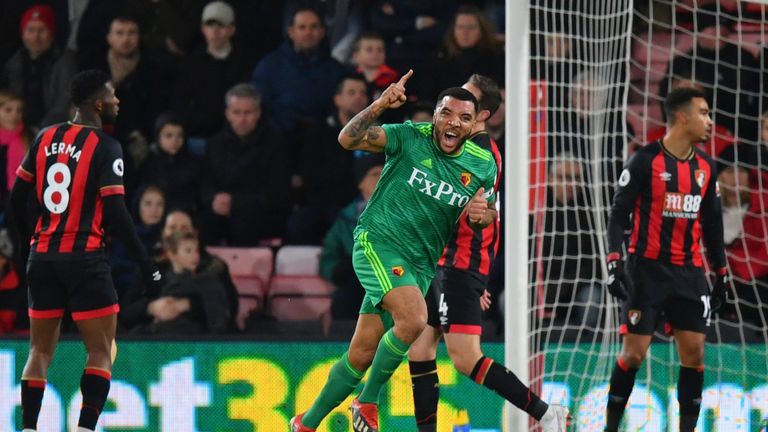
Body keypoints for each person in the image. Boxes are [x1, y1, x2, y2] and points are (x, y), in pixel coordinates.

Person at [290, 71, 498, 432]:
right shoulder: (407, 137)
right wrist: (380, 105)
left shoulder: (483, 165)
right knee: (415, 319)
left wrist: (483, 217)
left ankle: (305, 424)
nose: (454, 123)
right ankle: (368, 401)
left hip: (419, 263)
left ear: (474, 123)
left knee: (361, 354)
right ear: (435, 115)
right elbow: (347, 138)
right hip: (377, 242)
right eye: (447, 114)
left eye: (464, 118)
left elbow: (485, 214)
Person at [407, 74, 569, 432]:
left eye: (466, 102)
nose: (455, 109)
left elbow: (479, 216)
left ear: (481, 114)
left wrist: (474, 279)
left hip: (459, 264)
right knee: (420, 349)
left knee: (466, 359)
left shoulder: (479, 154)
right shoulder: (457, 146)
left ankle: (545, 413)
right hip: (440, 262)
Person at [8, 69, 160, 432]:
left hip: (42, 256)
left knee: (39, 351)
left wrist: (31, 239)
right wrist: (145, 262)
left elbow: (16, 198)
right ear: (97, 104)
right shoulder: (107, 147)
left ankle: (28, 428)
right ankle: (85, 428)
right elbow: (116, 211)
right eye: (112, 96)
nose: (117, 102)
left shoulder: (45, 137)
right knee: (101, 349)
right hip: (85, 259)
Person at [603, 87, 728, 432]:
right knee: (633, 354)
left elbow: (713, 224)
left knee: (695, 355)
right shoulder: (644, 161)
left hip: (690, 274)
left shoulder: (706, 168)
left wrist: (721, 274)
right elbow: (618, 215)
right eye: (703, 113)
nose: (709, 121)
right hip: (645, 271)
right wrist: (614, 263)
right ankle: (610, 428)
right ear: (682, 117)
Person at [200, 83, 292, 246]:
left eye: (247, 113)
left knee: (242, 224)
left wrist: (236, 203)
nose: (242, 119)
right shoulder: (215, 143)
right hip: (221, 212)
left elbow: (277, 192)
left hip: (259, 214)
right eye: (237, 112)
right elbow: (205, 182)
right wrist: (213, 200)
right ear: (228, 114)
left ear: (258, 113)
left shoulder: (275, 144)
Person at [250, 6, 346, 132]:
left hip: (324, 138)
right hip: (279, 139)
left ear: (322, 31)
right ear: (291, 32)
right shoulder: (270, 66)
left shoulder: (336, 70)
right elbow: (258, 105)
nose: (308, 32)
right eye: (302, 27)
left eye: (314, 27)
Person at [171, 1, 252, 138]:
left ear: (232, 29)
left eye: (220, 25)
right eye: (209, 25)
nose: (215, 31)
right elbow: (180, 104)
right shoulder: (190, 65)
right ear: (203, 29)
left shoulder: (246, 62)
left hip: (239, 136)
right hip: (201, 137)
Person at [320, 153, 385, 320]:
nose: (381, 178)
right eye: (375, 174)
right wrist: (340, 270)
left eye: (385, 173)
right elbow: (329, 257)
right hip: (356, 280)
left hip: (394, 278)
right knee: (344, 301)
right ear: (360, 183)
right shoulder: (346, 218)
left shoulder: (406, 212)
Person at [1, 4, 77, 131]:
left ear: (51, 33)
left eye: (42, 30)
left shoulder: (65, 60)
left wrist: (42, 131)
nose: (35, 37)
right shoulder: (15, 61)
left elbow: (64, 102)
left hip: (52, 130)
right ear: (23, 33)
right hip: (18, 128)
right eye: (30, 30)